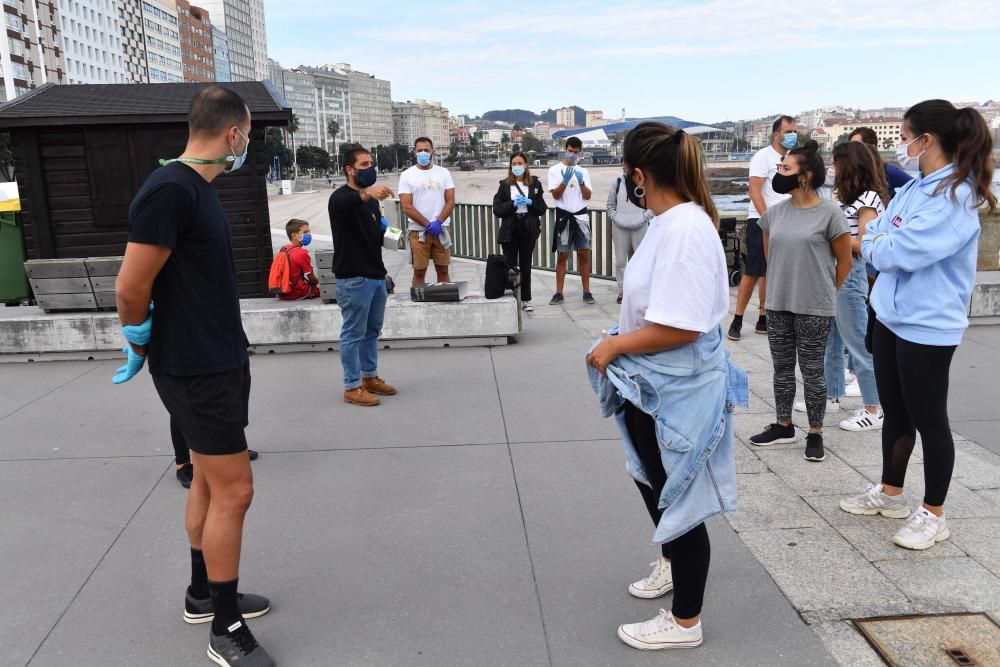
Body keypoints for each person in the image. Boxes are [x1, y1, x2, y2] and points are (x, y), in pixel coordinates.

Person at [113, 86, 273, 666]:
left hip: (218, 358)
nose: (246, 146)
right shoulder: (171, 189)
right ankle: (225, 629)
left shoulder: (198, 189)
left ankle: (203, 593)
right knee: (236, 490)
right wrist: (137, 335)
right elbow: (131, 287)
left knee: (209, 481)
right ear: (234, 134)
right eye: (247, 136)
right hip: (196, 367)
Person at [587, 123, 747, 651]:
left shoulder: (681, 229)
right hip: (652, 383)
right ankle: (672, 564)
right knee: (652, 482)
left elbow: (680, 325)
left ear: (638, 176)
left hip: (673, 389)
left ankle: (685, 622)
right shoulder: (668, 221)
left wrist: (614, 346)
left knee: (680, 500)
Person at [840, 100, 996, 550]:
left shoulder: (956, 196)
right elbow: (883, 233)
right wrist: (879, 239)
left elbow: (890, 249)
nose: (902, 145)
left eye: (906, 136)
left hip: (927, 324)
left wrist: (876, 240)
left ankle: (933, 512)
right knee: (896, 410)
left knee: (930, 418)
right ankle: (890, 491)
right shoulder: (916, 188)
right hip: (891, 314)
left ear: (925, 140)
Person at [748, 141, 852, 462]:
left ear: (805, 176)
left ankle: (816, 431)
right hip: (778, 303)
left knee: (812, 371)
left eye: (785, 169)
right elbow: (770, 254)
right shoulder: (774, 215)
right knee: (781, 369)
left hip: (814, 306)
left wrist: (825, 292)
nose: (779, 174)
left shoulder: (831, 213)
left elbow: (844, 262)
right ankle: (783, 425)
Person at [810, 142, 887, 432]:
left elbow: (864, 242)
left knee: (857, 343)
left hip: (850, 271)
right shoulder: (847, 198)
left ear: (849, 165)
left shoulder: (867, 199)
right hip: (834, 271)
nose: (833, 168)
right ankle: (832, 395)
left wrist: (833, 238)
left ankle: (874, 407)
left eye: (836, 163)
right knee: (831, 339)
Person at [330, 146, 398, 407]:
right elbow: (343, 204)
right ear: (350, 169)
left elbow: (376, 236)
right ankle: (351, 386)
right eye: (364, 164)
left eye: (371, 164)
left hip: (375, 275)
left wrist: (393, 232)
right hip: (354, 278)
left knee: (372, 331)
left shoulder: (369, 203)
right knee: (352, 333)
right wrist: (367, 192)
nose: (370, 169)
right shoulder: (340, 198)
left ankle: (369, 377)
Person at [728, 116, 797, 341]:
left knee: (771, 272)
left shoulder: (792, 158)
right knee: (754, 270)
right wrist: (766, 219)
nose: (792, 135)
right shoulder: (763, 156)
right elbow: (755, 191)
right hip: (761, 220)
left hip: (787, 221)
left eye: (794, 131)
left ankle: (763, 316)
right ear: (776, 135)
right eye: (788, 131)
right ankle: (737, 319)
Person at [492, 152, 548, 311]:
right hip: (510, 228)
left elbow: (541, 208)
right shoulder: (504, 185)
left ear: (526, 165)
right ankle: (510, 298)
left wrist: (530, 202)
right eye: (514, 163)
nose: (517, 166)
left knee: (526, 266)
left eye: (520, 163)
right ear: (510, 166)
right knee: (509, 266)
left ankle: (526, 299)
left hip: (528, 228)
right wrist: (512, 205)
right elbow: (497, 209)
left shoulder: (534, 184)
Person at [398, 137, 455, 287]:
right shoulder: (407, 175)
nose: (423, 153)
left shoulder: (444, 173)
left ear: (433, 152)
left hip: (441, 230)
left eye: (426, 150)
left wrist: (438, 222)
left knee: (443, 270)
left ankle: (444, 299)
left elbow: (450, 201)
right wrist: (427, 224)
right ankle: (419, 302)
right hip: (418, 232)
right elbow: (406, 206)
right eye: (419, 150)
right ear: (414, 152)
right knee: (419, 271)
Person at [547, 136, 595, 305]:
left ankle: (587, 291)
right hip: (564, 216)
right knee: (562, 255)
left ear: (579, 152)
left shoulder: (584, 171)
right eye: (569, 151)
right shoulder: (554, 170)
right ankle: (559, 292)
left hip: (581, 216)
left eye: (575, 152)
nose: (572, 154)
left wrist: (581, 183)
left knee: (583, 254)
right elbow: (556, 195)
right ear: (565, 149)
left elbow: (588, 196)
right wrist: (564, 181)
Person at [607, 165, 651, 304]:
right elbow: (610, 205)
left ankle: (639, 291)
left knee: (640, 261)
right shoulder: (617, 182)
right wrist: (615, 217)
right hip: (620, 227)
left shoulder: (645, 182)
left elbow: (652, 204)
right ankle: (622, 291)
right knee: (620, 261)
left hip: (640, 226)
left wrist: (645, 217)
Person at [849, 127, 914, 198]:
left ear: (872, 147)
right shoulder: (848, 172)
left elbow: (916, 188)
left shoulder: (888, 171)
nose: (852, 150)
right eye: (850, 146)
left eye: (857, 145)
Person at [277, 218, 320, 301]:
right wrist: (320, 281)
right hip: (298, 292)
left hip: (283, 292)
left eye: (309, 232)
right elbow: (311, 278)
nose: (309, 235)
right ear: (294, 236)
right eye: (305, 232)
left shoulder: (284, 249)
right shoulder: (302, 253)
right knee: (326, 291)